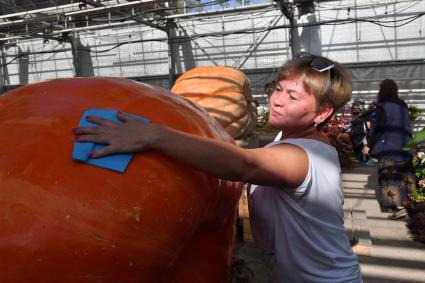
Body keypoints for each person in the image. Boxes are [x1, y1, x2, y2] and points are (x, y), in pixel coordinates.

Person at [73, 53, 362, 282]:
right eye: (279, 88)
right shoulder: (288, 137)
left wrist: (153, 135)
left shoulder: (304, 157)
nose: (276, 101)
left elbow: (244, 165)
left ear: (323, 113)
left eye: (293, 97)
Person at [364, 79, 415, 220]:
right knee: (404, 175)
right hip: (405, 147)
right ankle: (406, 204)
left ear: (382, 90)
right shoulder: (403, 104)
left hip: (389, 148)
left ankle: (398, 208)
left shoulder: (383, 106)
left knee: (390, 176)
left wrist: (369, 145)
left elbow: (378, 128)